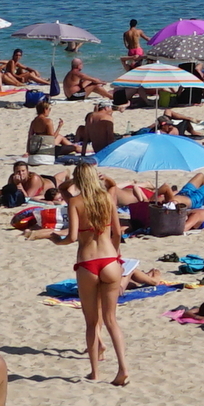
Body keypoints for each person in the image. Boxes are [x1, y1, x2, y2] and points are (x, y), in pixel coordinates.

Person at [66, 160, 132, 386]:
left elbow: (72, 237)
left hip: (88, 262)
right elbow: (117, 232)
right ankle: (123, 368)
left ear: (79, 180)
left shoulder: (75, 201)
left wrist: (53, 238)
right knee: (111, 320)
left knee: (92, 322)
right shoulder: (107, 198)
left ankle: (95, 372)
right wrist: (116, 255)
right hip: (110, 260)